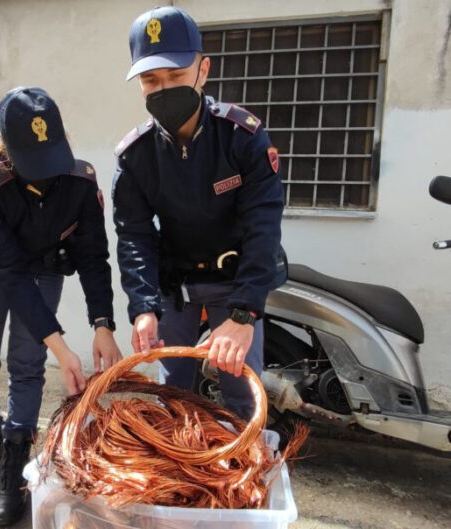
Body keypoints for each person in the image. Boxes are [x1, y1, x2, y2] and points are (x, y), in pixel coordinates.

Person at [0, 86, 121, 527]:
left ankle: (16, 462)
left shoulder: (79, 182)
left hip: (43, 268)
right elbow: (8, 273)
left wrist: (103, 323)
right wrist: (63, 348)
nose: (45, 174)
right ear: (7, 150)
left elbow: (93, 256)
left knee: (27, 362)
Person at [112, 6, 286, 420]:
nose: (164, 88)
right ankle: (181, 471)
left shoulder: (241, 137)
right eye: (151, 80)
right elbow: (134, 235)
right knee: (174, 393)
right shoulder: (136, 156)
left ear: (202, 70)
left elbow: (263, 226)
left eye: (175, 76)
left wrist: (244, 314)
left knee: (242, 390)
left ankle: (243, 471)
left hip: (236, 281)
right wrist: (143, 306)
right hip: (177, 286)